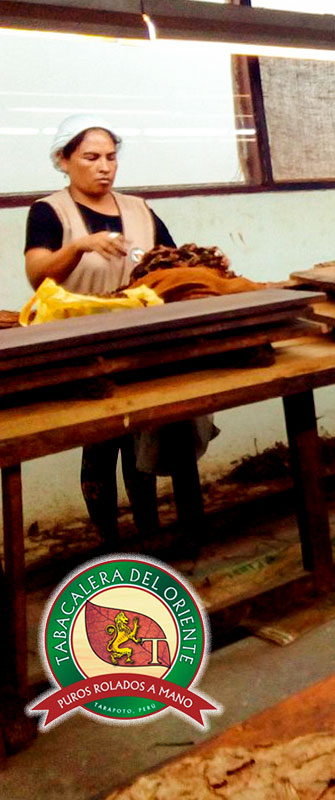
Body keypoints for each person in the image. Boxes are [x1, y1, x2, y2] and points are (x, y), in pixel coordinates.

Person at [23, 115, 206, 546]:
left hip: (143, 341)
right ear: (63, 160)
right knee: (102, 444)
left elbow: (173, 265)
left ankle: (157, 534)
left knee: (149, 439)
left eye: (111, 156)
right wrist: (80, 245)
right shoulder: (50, 211)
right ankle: (109, 540)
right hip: (85, 349)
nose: (104, 166)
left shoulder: (139, 209)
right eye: (90, 157)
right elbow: (37, 275)